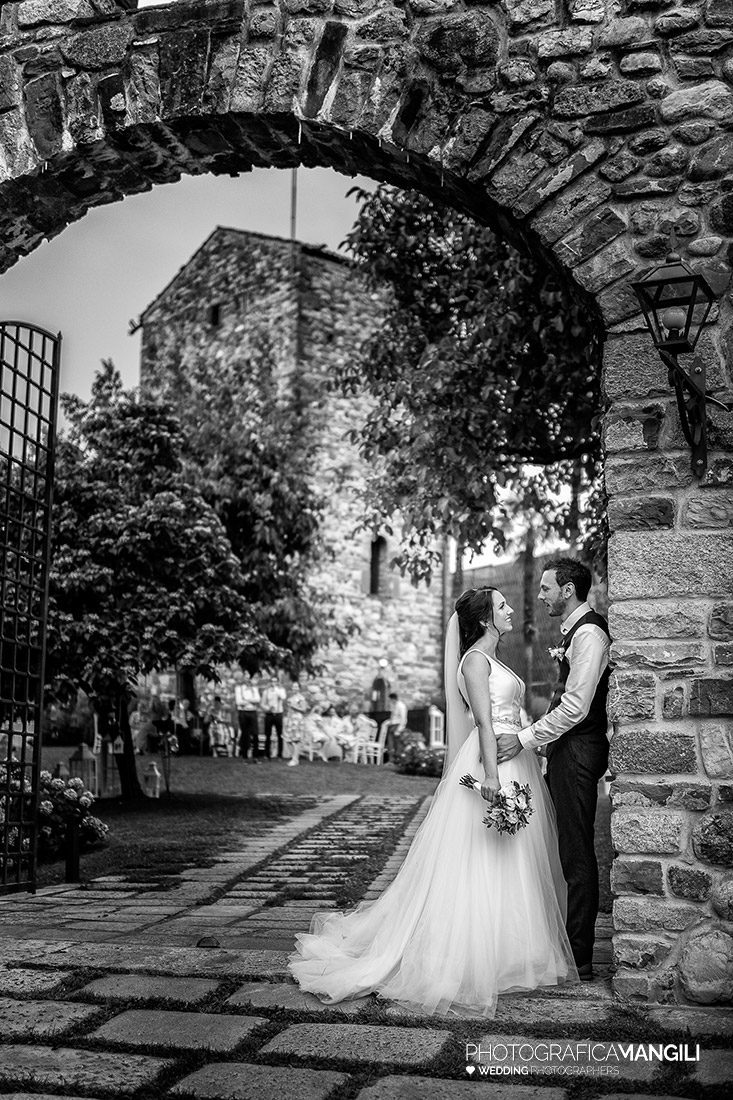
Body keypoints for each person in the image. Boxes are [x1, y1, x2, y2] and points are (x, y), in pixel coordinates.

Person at [289, 587, 576, 1016]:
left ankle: (510, 952)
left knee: (511, 858)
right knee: (481, 860)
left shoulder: (494, 659)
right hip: (491, 765)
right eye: (502, 607)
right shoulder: (476, 661)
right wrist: (493, 777)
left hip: (516, 760)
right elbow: (482, 721)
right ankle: (471, 958)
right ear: (484, 620)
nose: (512, 609)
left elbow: (506, 716)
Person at [496, 557, 610, 983]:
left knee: (576, 851)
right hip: (565, 750)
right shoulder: (576, 632)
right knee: (560, 846)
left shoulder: (591, 633)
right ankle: (559, 941)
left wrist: (526, 739)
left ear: (568, 590)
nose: (540, 596)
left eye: (546, 588)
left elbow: (577, 707)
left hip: (580, 751)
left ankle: (579, 955)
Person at [235, 673, 261, 762]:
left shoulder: (254, 688)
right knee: (245, 734)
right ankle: (245, 757)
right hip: (243, 712)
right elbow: (238, 702)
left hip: (253, 712)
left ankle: (255, 757)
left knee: (255, 734)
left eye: (249, 678)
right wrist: (251, 701)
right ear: (243, 679)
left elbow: (258, 699)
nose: (248, 680)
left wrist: (247, 700)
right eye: (246, 678)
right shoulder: (239, 688)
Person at [260, 677, 287, 759]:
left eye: (275, 681)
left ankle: (279, 754)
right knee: (267, 734)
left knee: (280, 735)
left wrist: (276, 689)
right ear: (270, 682)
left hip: (278, 714)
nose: (274, 683)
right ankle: (267, 754)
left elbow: (283, 697)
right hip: (269, 714)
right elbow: (262, 704)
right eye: (272, 681)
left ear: (278, 682)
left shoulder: (281, 690)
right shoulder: (266, 692)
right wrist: (268, 708)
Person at [380, 691, 408, 763]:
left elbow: (403, 718)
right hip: (392, 726)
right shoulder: (394, 705)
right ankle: (391, 760)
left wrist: (399, 730)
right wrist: (387, 722)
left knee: (397, 745)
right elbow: (393, 717)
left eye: (390, 700)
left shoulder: (401, 706)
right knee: (390, 744)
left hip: (397, 726)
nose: (390, 702)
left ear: (393, 699)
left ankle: (398, 761)